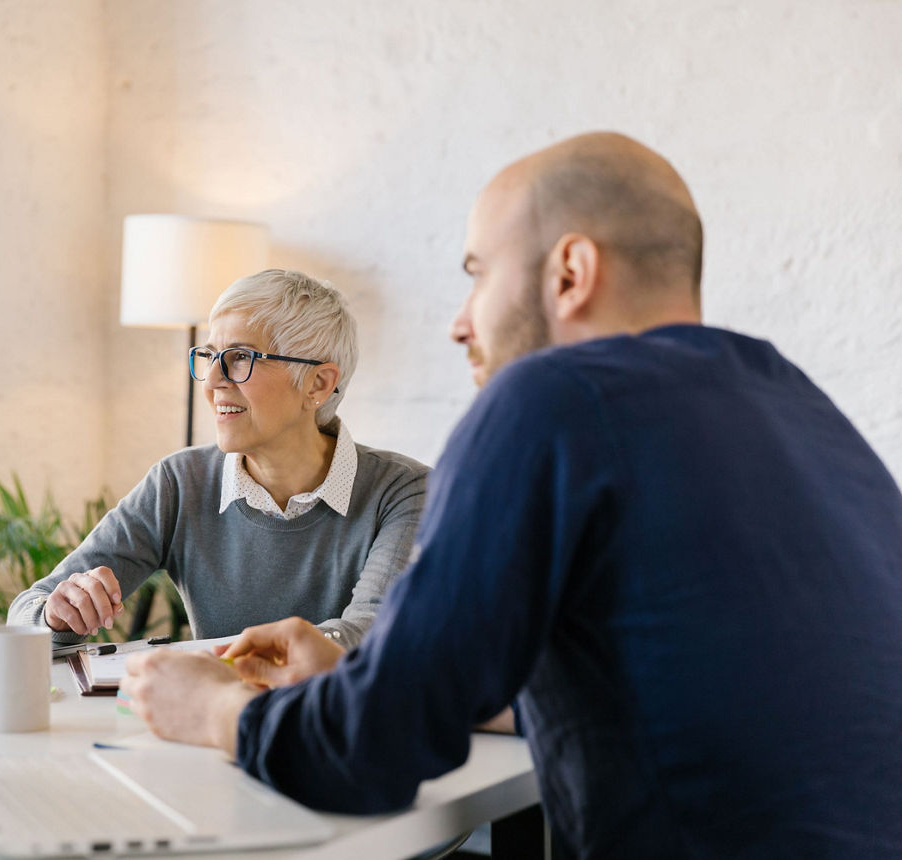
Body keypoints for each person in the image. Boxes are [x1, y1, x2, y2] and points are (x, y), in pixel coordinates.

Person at [121, 133, 902, 858]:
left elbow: (370, 755)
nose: (462, 324)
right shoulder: (790, 398)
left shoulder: (550, 398)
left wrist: (217, 711)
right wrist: (351, 679)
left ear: (570, 273)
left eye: (477, 275)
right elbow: (667, 692)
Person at [7, 269, 429, 650]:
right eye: (210, 356)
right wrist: (58, 613)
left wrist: (224, 661)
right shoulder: (180, 482)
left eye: (241, 357)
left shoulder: (404, 491)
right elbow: (27, 610)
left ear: (318, 383)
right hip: (209, 725)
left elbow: (375, 632)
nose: (211, 381)